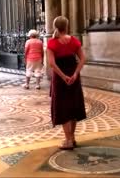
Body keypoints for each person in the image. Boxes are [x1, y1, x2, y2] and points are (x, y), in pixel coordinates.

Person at [47, 16, 86, 150]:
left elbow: (51, 64)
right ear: (67, 26)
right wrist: (75, 74)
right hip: (74, 77)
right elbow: (82, 59)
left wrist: (64, 77)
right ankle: (72, 138)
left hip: (60, 78)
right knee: (73, 106)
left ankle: (68, 140)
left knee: (63, 107)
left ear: (55, 27)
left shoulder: (52, 43)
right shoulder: (74, 41)